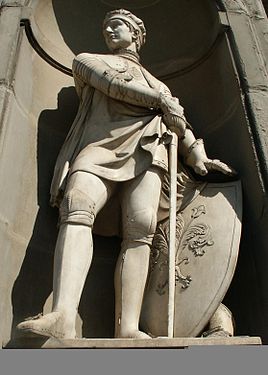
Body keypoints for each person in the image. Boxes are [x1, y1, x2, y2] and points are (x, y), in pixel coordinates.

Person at [17, 9, 233, 339]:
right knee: (77, 205)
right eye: (105, 27)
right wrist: (163, 103)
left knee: (141, 229)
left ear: (136, 34)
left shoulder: (159, 85)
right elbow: (114, 85)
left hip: (149, 149)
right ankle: (62, 313)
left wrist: (199, 156)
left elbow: (182, 124)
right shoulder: (88, 61)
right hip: (99, 145)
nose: (109, 31)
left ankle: (128, 327)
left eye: (117, 25)